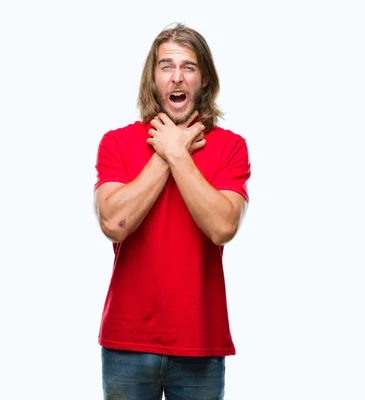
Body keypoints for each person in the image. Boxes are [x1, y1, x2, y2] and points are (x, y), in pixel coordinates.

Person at [93, 23, 250, 400]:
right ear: (153, 77)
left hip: (201, 344)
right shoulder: (116, 143)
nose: (177, 76)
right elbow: (114, 223)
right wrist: (168, 152)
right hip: (126, 342)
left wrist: (178, 152)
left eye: (188, 67)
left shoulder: (231, 147)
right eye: (166, 66)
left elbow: (223, 227)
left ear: (204, 80)